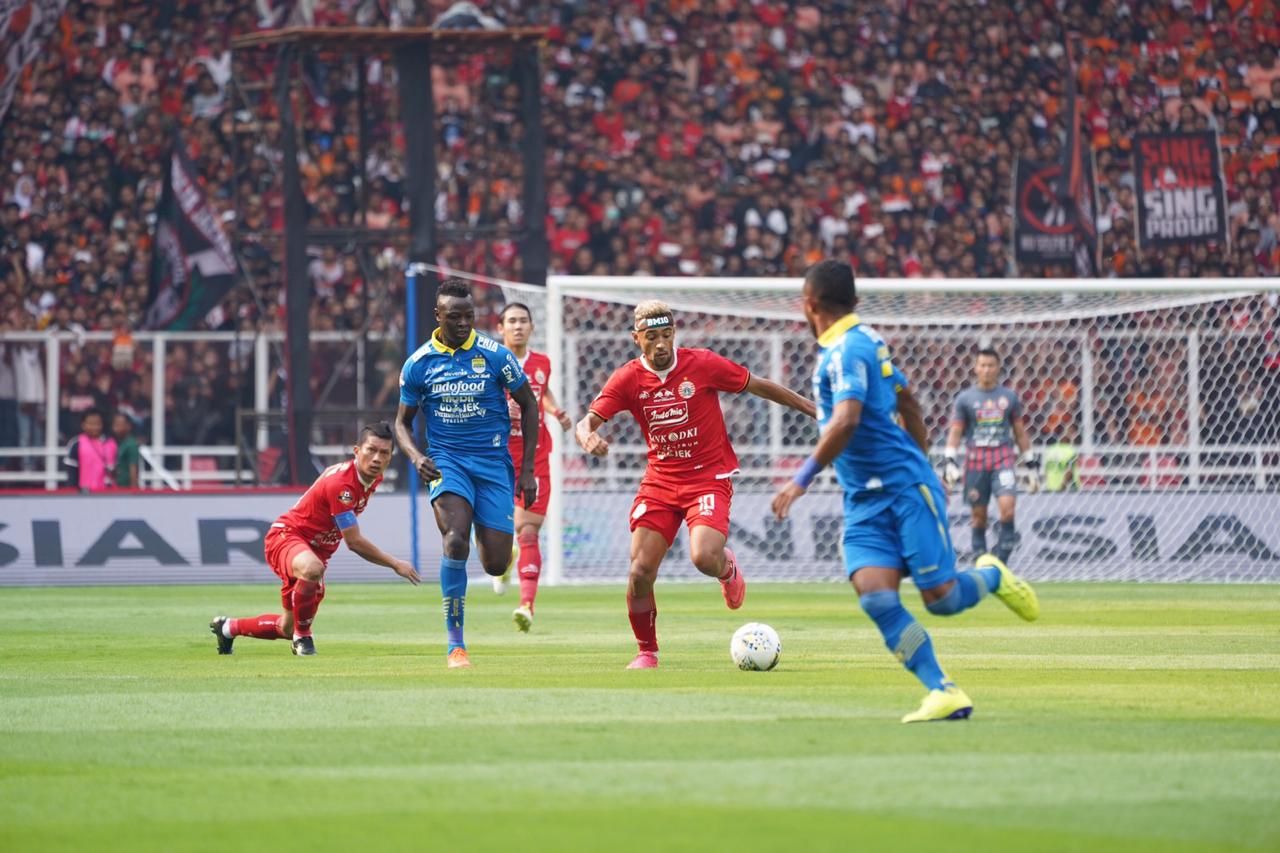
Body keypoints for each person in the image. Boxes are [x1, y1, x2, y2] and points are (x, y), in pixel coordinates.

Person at [771, 260, 1039, 723]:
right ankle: (943, 690)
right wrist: (920, 452)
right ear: (851, 301)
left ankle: (992, 574)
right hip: (863, 499)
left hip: (902, 490)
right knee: (876, 596)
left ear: (809, 304)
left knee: (944, 599)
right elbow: (908, 400)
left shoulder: (849, 350)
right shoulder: (862, 341)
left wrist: (802, 478)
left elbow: (848, 418)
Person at [576, 299, 816, 669]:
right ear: (635, 338)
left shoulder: (701, 364)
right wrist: (586, 436)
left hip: (708, 477)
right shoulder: (626, 378)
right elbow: (586, 421)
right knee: (640, 569)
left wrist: (814, 409)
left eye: (666, 335)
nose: (660, 344)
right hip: (660, 481)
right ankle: (646, 651)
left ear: (674, 334)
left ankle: (727, 569)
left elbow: (758, 385)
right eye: (651, 336)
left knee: (704, 556)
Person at [395, 277, 540, 668]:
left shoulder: (496, 356)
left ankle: (493, 534)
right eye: (455, 317)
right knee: (455, 540)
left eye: (469, 316)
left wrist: (527, 470)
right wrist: (415, 456)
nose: (463, 324)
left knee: (495, 564)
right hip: (447, 462)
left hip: (493, 465)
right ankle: (455, 645)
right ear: (437, 315)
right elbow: (401, 423)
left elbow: (529, 405)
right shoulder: (419, 363)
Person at [210, 422, 420, 656]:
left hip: (315, 550)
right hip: (287, 536)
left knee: (286, 627)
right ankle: (303, 639)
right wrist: (395, 564)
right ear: (356, 451)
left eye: (384, 453)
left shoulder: (372, 478)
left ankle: (228, 628)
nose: (377, 458)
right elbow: (354, 542)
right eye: (371, 450)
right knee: (312, 571)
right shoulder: (342, 485)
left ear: (391, 457)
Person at [492, 301, 574, 632]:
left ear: (531, 327)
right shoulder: (489, 362)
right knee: (496, 533)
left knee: (528, 533)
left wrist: (555, 411)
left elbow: (543, 392)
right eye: (511, 321)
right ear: (500, 328)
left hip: (535, 456)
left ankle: (527, 605)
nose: (518, 326)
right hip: (496, 455)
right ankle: (501, 562)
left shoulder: (542, 363)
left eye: (523, 321)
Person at [942, 349, 1040, 563]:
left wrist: (1031, 462)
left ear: (998, 368)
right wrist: (949, 459)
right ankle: (981, 560)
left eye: (991, 365)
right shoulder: (965, 399)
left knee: (1007, 509)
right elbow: (956, 431)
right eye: (983, 365)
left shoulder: (1008, 397)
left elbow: (1020, 432)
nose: (986, 370)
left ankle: (1002, 564)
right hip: (975, 462)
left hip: (1003, 459)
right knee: (978, 517)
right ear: (976, 368)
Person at [64, 409, 117, 493]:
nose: (95, 427)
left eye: (97, 423)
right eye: (91, 424)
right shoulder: (76, 443)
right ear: (83, 425)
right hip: (85, 494)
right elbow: (72, 475)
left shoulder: (111, 443)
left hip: (108, 493)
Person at [112, 412, 140, 488]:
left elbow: (133, 468)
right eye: (115, 424)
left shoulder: (131, 444)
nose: (116, 427)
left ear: (128, 426)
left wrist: (133, 490)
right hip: (117, 487)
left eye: (119, 424)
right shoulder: (117, 443)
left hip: (126, 489)